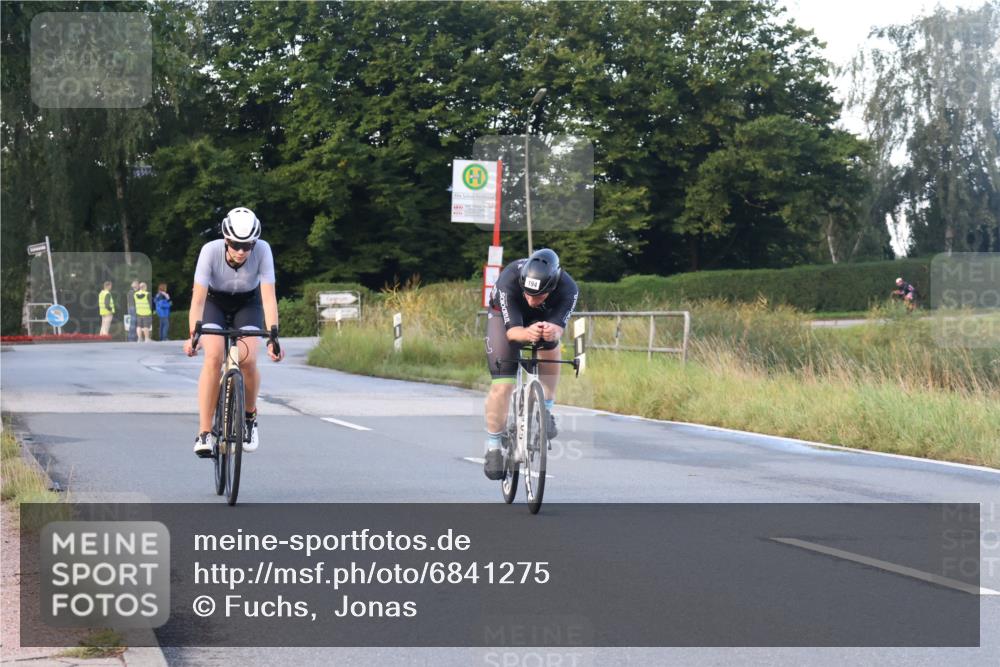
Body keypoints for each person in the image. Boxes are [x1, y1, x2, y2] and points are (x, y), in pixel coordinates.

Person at [183, 207, 284, 458]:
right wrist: (194, 334)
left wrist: (273, 338)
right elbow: (198, 299)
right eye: (236, 245)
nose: (241, 251)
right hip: (214, 303)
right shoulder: (210, 251)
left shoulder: (263, 250)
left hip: (248, 304)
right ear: (226, 239)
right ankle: (204, 432)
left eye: (247, 245)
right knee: (214, 357)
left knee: (248, 360)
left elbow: (268, 298)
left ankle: (249, 417)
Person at [482, 248, 578, 480]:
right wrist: (526, 333)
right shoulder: (509, 280)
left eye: (539, 296)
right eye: (528, 293)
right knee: (503, 385)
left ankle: (546, 408)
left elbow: (559, 328)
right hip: (504, 318)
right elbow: (513, 333)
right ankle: (493, 446)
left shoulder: (569, 289)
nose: (532, 300)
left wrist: (552, 331)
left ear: (552, 288)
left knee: (550, 341)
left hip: (541, 319)